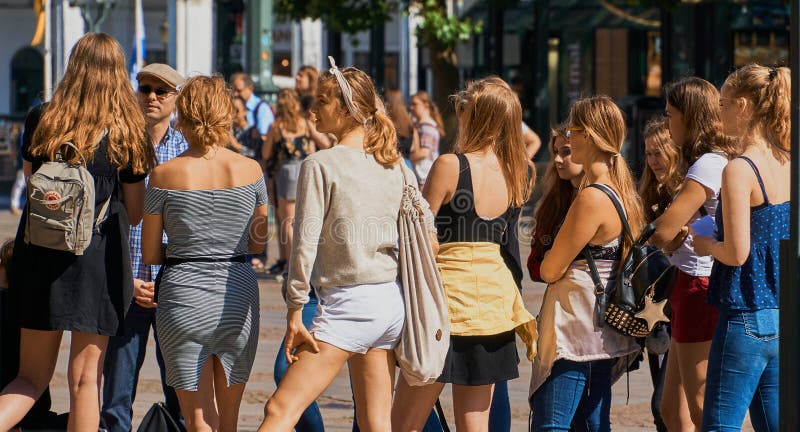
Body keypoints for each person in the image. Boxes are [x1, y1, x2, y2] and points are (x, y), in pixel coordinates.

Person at [258, 59, 426, 432]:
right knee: (375, 423)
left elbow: (303, 244)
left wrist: (294, 310)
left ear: (348, 108)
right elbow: (426, 227)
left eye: (321, 101)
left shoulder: (321, 164)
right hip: (390, 303)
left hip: (349, 305)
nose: (312, 109)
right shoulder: (395, 164)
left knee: (279, 410)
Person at [0, 32, 155, 431]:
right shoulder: (129, 130)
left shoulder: (43, 118)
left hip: (38, 256)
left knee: (29, 379)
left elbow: (34, 184)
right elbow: (136, 213)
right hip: (97, 262)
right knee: (86, 381)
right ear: (118, 73)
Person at [392, 76, 537, 432]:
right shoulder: (515, 173)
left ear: (478, 117)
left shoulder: (450, 165)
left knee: (404, 422)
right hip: (492, 305)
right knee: (476, 424)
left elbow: (421, 234)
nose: (459, 115)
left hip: (447, 305)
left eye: (463, 109)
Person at [141, 75, 268, 431]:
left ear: (184, 115)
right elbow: (258, 243)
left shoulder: (164, 175)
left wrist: (188, 247)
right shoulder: (251, 170)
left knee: (198, 420)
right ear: (226, 114)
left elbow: (150, 253)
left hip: (182, 294)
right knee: (229, 421)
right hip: (237, 291)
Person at [528, 96, 644, 432]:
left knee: (553, 423)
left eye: (574, 131)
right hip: (600, 329)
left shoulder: (591, 197)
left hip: (576, 328)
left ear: (589, 136)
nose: (568, 139)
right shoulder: (619, 191)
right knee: (591, 422)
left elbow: (550, 270)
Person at [693, 64, 790, 432]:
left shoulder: (739, 169)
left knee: (720, 423)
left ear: (745, 106)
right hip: (781, 312)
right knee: (774, 423)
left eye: (723, 104)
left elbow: (737, 253)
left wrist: (705, 243)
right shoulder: (787, 160)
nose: (719, 113)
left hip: (746, 311)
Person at [100, 63, 188, 432]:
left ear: (176, 100)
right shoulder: (116, 143)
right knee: (116, 397)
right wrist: (126, 280)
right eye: (145, 88)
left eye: (161, 91)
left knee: (182, 394)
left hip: (174, 286)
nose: (151, 96)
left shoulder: (187, 149)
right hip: (128, 281)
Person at [650, 77, 737, 431]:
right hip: (695, 279)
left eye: (671, 115)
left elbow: (664, 230)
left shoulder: (705, 165)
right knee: (671, 408)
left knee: (700, 405)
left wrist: (660, 234)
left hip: (697, 283)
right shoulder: (720, 159)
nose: (667, 123)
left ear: (689, 117)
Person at [265, 88, 326, 432]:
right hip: (320, 288)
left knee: (375, 404)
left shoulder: (323, 161)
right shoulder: (319, 159)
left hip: (350, 291)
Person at [638, 117, 685, 432]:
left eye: (659, 152)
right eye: (648, 153)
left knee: (664, 404)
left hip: (683, 303)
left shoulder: (687, 192)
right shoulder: (648, 193)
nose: (653, 160)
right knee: (662, 408)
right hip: (656, 308)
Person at [262, 89, 317, 277]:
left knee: (286, 221)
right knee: (299, 220)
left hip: (285, 172)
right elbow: (310, 149)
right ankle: (299, 261)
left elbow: (266, 153)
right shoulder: (305, 124)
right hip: (303, 169)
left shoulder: (277, 127)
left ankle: (291, 263)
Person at [527, 124, 582, 282]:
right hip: (560, 297)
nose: (557, 159)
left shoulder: (601, 197)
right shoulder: (554, 200)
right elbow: (534, 266)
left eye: (566, 152)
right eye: (556, 152)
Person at [408, 90, 445, 188]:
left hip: (425, 177)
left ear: (426, 105)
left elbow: (424, 153)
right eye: (410, 104)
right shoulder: (423, 125)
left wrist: (405, 159)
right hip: (425, 176)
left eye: (415, 104)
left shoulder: (427, 126)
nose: (411, 107)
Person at [384, 88, 419, 168]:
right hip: (408, 166)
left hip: (392, 165)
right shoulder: (410, 124)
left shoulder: (387, 124)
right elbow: (415, 149)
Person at [232, 96, 263, 160]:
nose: (233, 114)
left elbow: (256, 155)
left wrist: (237, 146)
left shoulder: (253, 132)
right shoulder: (228, 131)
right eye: (231, 110)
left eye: (236, 110)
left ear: (245, 111)